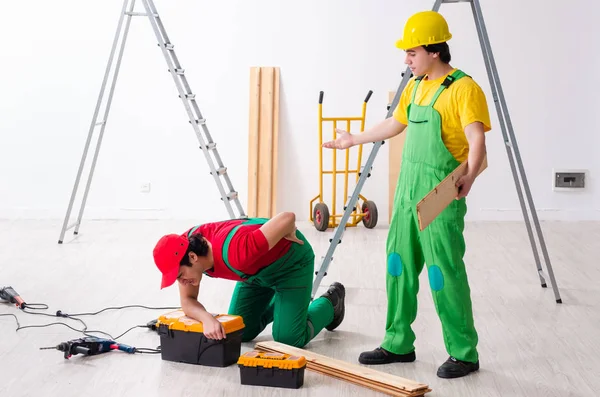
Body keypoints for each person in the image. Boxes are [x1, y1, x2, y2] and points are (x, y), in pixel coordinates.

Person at [323, 10, 491, 378]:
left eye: (411, 52)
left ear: (434, 51)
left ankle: (464, 352)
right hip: (407, 192)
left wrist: (471, 176)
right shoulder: (415, 86)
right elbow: (395, 123)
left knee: (441, 272)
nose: (406, 59)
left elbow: (477, 138)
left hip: (441, 193)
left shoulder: (464, 89)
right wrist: (354, 139)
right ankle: (398, 342)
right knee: (397, 268)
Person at [152, 211, 346, 348]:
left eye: (179, 276)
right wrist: (207, 319)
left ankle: (331, 303)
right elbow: (187, 301)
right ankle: (285, 306)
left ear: (193, 257)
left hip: (291, 266)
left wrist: (289, 231)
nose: (182, 282)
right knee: (239, 332)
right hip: (255, 274)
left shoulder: (238, 252)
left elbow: (288, 217)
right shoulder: (184, 249)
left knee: (288, 339)